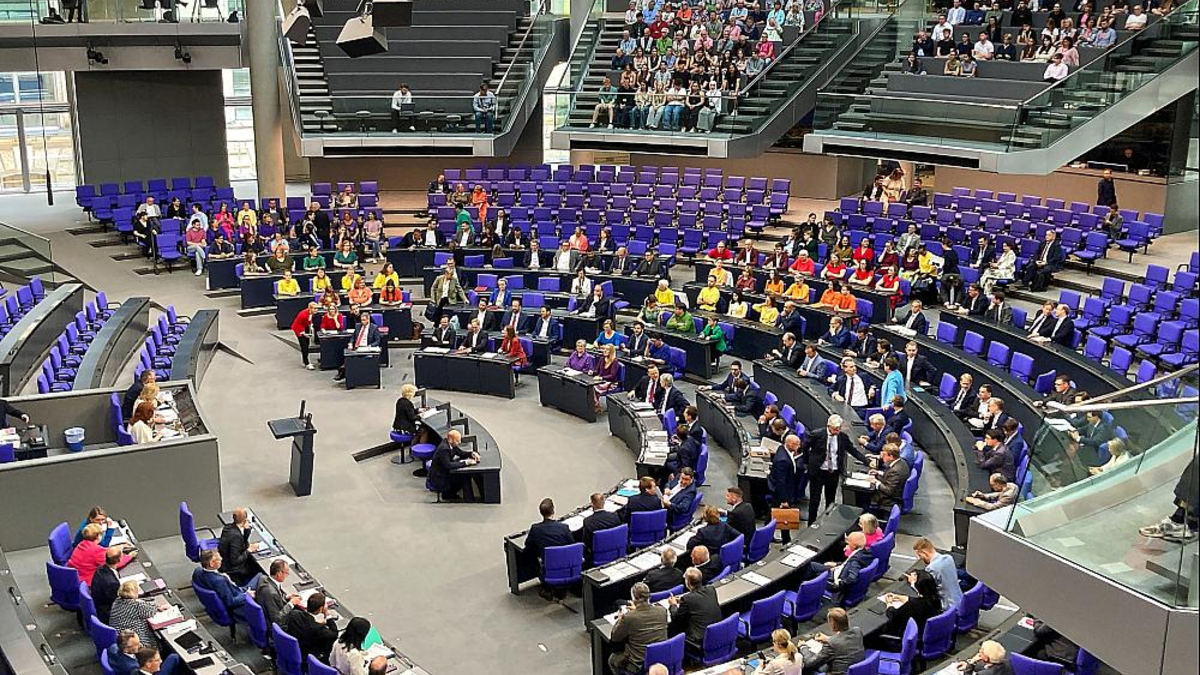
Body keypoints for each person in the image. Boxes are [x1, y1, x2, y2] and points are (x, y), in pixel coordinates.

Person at [804, 414, 869, 525]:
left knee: (830, 500)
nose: (837, 431)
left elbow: (852, 450)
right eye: (835, 429)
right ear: (828, 426)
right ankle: (811, 523)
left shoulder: (842, 437)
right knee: (814, 500)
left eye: (838, 429)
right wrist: (807, 463)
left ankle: (828, 522)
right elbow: (805, 447)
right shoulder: (816, 434)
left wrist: (866, 461)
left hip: (833, 472)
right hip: (818, 472)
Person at [608, 582, 668, 675]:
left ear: (634, 598)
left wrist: (620, 620)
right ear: (649, 596)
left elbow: (615, 637)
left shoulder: (629, 617)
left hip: (639, 663)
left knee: (612, 660)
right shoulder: (662, 610)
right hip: (661, 657)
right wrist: (636, 610)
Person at [667, 566, 722, 650]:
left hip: (699, 639)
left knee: (673, 628)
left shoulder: (688, 598)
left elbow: (676, 619)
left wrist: (673, 605)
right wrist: (682, 601)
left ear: (688, 582)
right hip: (717, 631)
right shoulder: (711, 589)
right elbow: (698, 599)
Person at [799, 608, 865, 675]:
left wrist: (803, 646)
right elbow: (844, 641)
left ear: (833, 625)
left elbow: (810, 663)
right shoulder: (857, 631)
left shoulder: (831, 644)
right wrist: (828, 638)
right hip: (858, 671)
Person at [191, 550, 249, 621]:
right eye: (218, 559)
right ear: (212, 564)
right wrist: (246, 595)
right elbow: (231, 602)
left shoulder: (198, 571)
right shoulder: (219, 581)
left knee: (259, 578)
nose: (221, 559)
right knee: (260, 582)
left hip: (235, 590)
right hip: (237, 605)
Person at [283, 591, 340, 664]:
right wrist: (328, 615)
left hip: (292, 650)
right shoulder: (317, 629)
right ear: (321, 608)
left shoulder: (294, 614)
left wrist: (318, 623)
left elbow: (306, 624)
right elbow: (334, 634)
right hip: (307, 656)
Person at [882, 570, 942, 635]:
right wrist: (898, 597)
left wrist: (889, 604)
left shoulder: (912, 606)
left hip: (915, 633)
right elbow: (916, 600)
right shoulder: (934, 598)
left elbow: (894, 616)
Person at [428, 429, 479, 501]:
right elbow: (448, 465)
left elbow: (461, 453)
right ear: (450, 440)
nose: (459, 442)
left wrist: (472, 453)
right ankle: (469, 499)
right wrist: (466, 463)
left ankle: (449, 494)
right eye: (457, 441)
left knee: (463, 476)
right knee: (465, 477)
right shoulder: (444, 449)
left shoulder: (451, 444)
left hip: (443, 473)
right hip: (440, 478)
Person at [913, 538, 963, 610]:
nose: (920, 558)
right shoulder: (949, 558)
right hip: (960, 600)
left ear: (924, 552)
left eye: (920, 555)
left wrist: (913, 583)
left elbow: (928, 594)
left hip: (947, 607)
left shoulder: (930, 569)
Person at [109, 580, 160, 650]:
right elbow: (151, 611)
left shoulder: (116, 601)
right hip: (136, 643)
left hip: (120, 639)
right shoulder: (136, 606)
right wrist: (159, 607)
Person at [255, 558, 303, 627]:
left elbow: (276, 599)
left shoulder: (263, 578)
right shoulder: (271, 593)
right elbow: (277, 620)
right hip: (273, 625)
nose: (287, 575)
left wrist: (286, 597)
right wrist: (291, 604)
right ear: (279, 573)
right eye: (286, 573)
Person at [870, 444, 910, 509]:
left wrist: (876, 482)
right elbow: (891, 477)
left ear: (891, 457)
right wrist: (879, 473)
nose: (882, 456)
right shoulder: (901, 462)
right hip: (895, 492)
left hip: (888, 501)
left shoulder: (895, 471)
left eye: (884, 454)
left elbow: (889, 491)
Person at [91, 546, 123, 624]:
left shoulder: (100, 569)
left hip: (99, 604)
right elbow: (117, 601)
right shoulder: (112, 583)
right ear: (119, 560)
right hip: (107, 613)